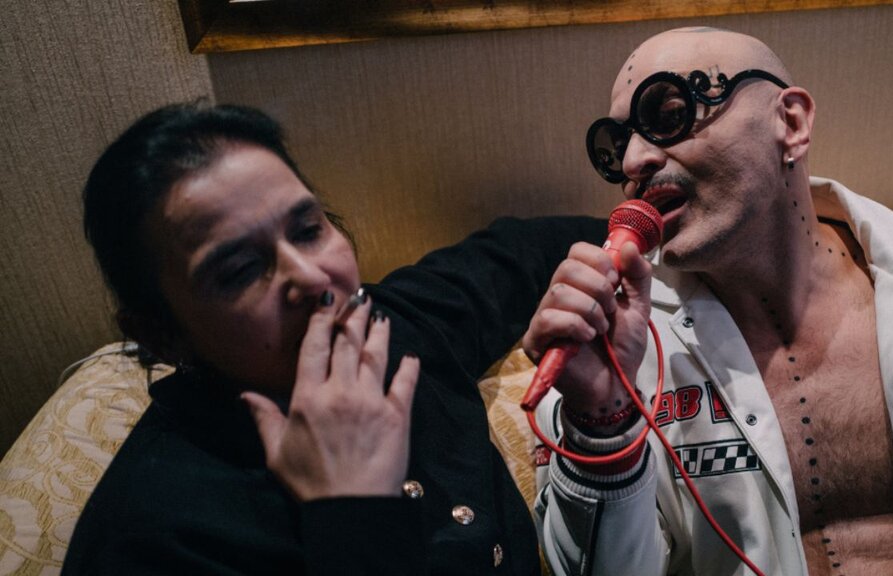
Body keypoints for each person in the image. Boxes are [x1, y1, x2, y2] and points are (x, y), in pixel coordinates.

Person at [525, 27, 893, 575]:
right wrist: (602, 425)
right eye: (616, 147)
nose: (633, 162)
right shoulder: (610, 358)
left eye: (669, 115)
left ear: (790, 123)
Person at [63, 101, 607, 575]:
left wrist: (646, 239)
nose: (310, 277)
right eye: (239, 271)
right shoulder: (149, 540)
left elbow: (525, 250)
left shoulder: (395, 322)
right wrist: (352, 511)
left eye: (307, 230)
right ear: (161, 335)